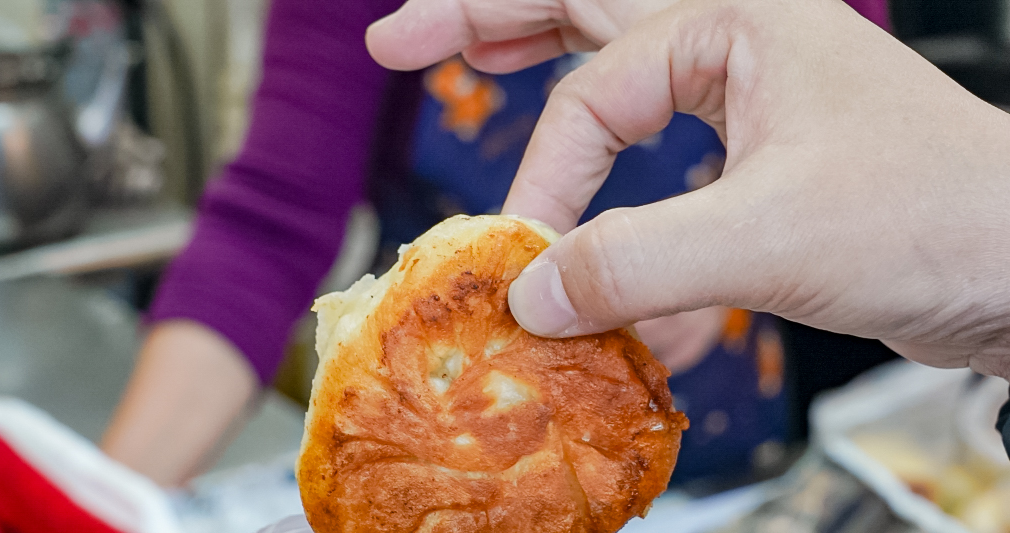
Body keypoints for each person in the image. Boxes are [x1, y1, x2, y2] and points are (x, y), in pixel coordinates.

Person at [104, 0, 900, 486]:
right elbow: (268, 226)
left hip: (713, 445)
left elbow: (844, 130)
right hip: (436, 454)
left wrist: (730, 257)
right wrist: (104, 507)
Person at [367, 0, 1010, 386]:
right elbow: (277, 216)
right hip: (429, 361)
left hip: (733, 381)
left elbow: (849, 134)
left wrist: (715, 256)